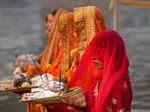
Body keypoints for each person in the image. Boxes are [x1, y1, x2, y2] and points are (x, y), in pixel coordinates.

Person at [67, 30, 133, 112]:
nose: (93, 57)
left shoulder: (118, 86)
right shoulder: (101, 80)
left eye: (98, 51)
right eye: (94, 52)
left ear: (110, 53)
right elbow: (86, 102)